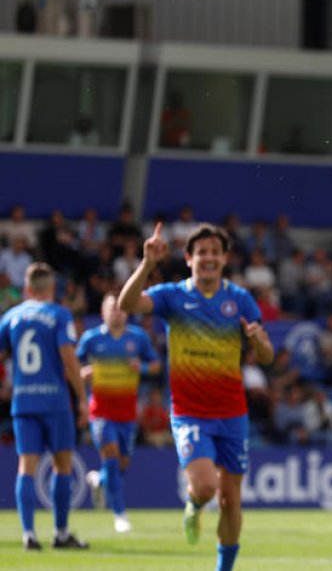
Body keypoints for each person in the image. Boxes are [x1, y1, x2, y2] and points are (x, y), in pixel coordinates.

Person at [118, 222, 273, 571]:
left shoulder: (240, 299)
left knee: (231, 499)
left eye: (215, 252)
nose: (209, 258)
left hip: (233, 413)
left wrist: (260, 344)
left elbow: (266, 356)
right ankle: (192, 504)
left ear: (225, 258)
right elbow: (128, 304)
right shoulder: (173, 295)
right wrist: (147, 264)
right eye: (201, 252)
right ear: (189, 258)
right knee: (205, 487)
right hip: (190, 413)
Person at [0, 263, 89, 551]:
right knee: (62, 465)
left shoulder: (11, 317)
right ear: (51, 288)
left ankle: (28, 535)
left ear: (27, 289)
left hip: (24, 400)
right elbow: (69, 359)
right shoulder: (59, 314)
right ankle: (61, 534)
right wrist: (83, 398)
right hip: (54, 401)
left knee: (26, 466)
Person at [77, 292, 161, 533]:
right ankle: (119, 515)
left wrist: (141, 366)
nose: (117, 312)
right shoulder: (92, 339)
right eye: (112, 307)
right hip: (101, 411)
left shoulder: (138, 338)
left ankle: (99, 480)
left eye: (121, 308)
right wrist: (84, 372)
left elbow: (156, 365)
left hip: (127, 414)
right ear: (103, 312)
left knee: (121, 464)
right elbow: (73, 365)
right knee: (112, 456)